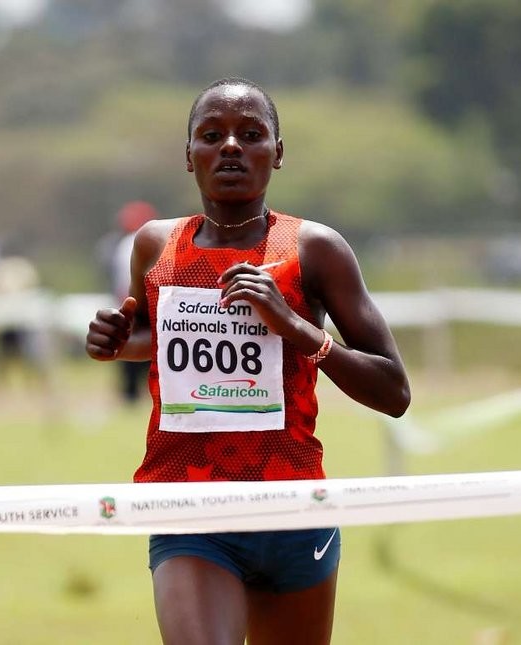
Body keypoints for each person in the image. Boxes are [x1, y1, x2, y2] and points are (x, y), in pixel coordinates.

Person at [86, 77, 410, 645]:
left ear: (277, 153)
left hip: (293, 508)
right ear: (189, 154)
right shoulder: (155, 245)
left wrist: (294, 325)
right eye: (212, 135)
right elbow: (150, 335)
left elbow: (394, 392)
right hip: (188, 506)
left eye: (251, 134)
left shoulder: (314, 249)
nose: (231, 146)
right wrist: (116, 341)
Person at [109, 201, 158, 403]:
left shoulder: (130, 242)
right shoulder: (157, 239)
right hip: (146, 302)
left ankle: (130, 394)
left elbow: (122, 280)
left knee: (132, 351)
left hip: (133, 302)